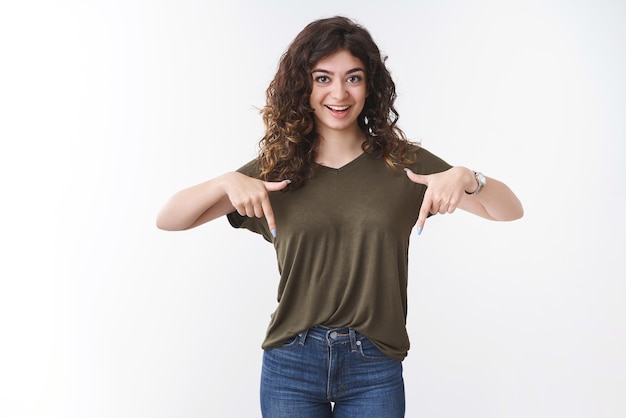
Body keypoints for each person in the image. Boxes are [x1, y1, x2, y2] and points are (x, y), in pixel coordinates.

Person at [156, 15, 523, 418]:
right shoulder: (276, 172)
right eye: (322, 78)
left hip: (374, 364)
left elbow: (508, 211)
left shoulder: (404, 166)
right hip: (291, 365)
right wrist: (226, 182)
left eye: (353, 77)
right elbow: (170, 218)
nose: (339, 93)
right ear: (303, 86)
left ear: (370, 86)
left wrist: (469, 177)